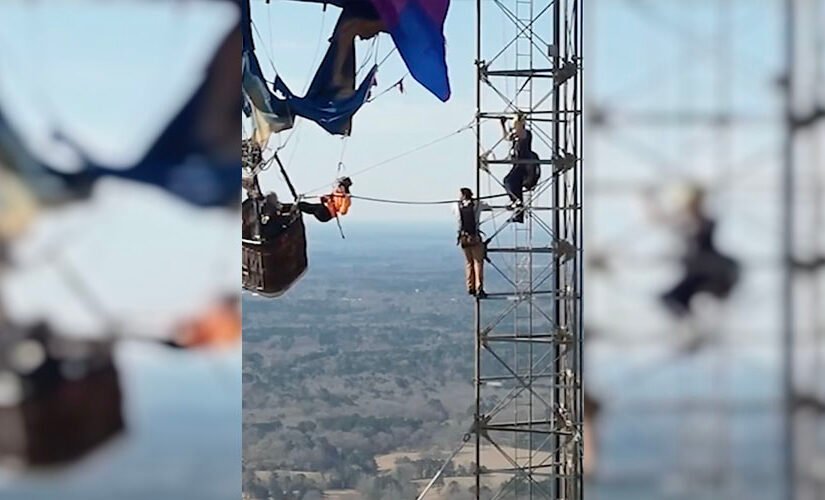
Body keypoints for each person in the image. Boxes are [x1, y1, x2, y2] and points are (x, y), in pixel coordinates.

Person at [647, 184, 740, 317]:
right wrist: (650, 201)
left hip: (706, 267)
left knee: (675, 296)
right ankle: (688, 318)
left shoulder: (703, 222)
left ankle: (691, 316)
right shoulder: (687, 222)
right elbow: (661, 220)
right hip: (697, 269)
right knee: (672, 298)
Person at [499, 115, 541, 223]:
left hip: (525, 165)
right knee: (514, 185)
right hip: (519, 165)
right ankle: (518, 212)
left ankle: (516, 202)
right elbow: (507, 137)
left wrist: (518, 121)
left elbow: (520, 134)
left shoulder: (526, 133)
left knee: (508, 181)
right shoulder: (516, 135)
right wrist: (503, 125)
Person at [454, 188, 490, 298]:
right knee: (478, 262)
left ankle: (470, 286)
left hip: (464, 238)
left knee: (469, 263)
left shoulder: (456, 206)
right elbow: (488, 206)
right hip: (475, 238)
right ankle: (479, 288)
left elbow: (455, 213)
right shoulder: (477, 204)